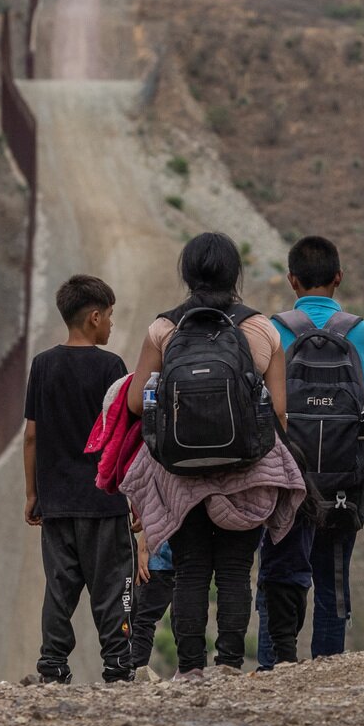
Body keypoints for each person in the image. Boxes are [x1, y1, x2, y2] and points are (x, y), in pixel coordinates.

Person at [120, 232, 306, 680]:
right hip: (246, 470)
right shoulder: (260, 329)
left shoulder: (165, 329)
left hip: (181, 475)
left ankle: (189, 669)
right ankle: (226, 665)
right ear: (233, 273)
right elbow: (279, 410)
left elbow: (132, 404)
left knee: (189, 573)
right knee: (236, 572)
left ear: (186, 274)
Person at [256, 236, 364, 668]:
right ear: (338, 277)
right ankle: (326, 672)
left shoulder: (272, 329)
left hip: (286, 479)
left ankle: (271, 669)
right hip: (343, 482)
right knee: (334, 583)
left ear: (291, 280)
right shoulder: (359, 331)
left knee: (276, 575)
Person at [23, 275, 134, 684]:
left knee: (59, 587)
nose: (111, 325)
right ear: (93, 317)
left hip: (57, 502)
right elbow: (121, 438)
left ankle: (52, 665)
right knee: (115, 586)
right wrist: (134, 498)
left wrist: (32, 493)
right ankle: (119, 664)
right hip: (105, 502)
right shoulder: (112, 368)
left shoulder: (42, 365)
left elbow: (32, 435)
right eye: (109, 316)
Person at [130, 540, 174, 675]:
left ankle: (134, 673)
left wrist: (144, 542)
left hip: (161, 559)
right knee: (188, 622)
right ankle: (195, 671)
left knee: (142, 620)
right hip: (193, 562)